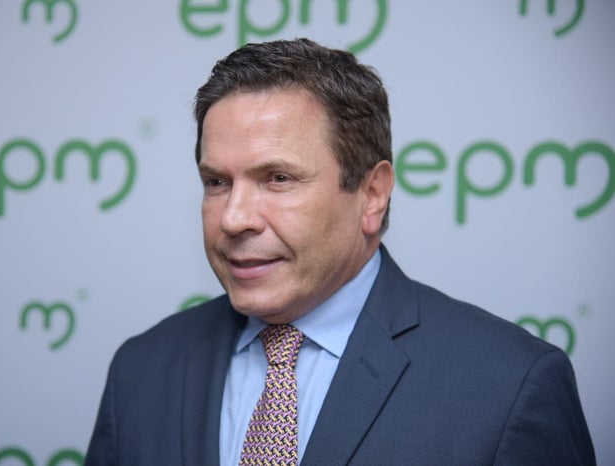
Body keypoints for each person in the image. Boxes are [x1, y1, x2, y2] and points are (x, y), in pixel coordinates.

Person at [85, 38, 595, 465]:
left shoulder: (509, 385)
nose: (234, 218)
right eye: (217, 182)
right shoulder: (141, 370)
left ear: (372, 194)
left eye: (277, 178)